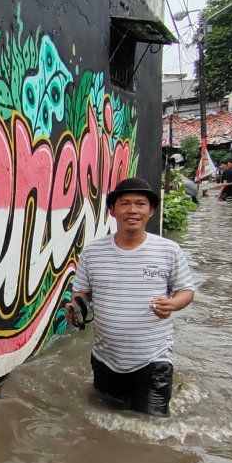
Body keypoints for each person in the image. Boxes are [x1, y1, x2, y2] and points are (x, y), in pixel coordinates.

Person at [66, 177, 195, 417]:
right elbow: (81, 293)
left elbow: (186, 290)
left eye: (140, 204)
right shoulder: (93, 252)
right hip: (105, 359)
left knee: (152, 428)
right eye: (125, 204)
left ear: (151, 210)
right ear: (113, 210)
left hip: (154, 361)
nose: (132, 210)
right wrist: (74, 308)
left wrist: (173, 304)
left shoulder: (168, 250)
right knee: (106, 424)